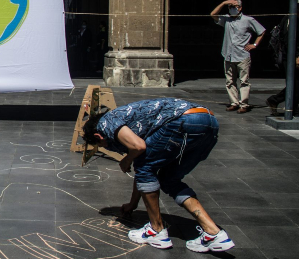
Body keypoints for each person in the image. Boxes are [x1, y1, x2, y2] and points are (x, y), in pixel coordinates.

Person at [81, 98, 234, 253]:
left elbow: (139, 147)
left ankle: (156, 230)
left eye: (101, 145)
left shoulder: (106, 123)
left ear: (98, 136)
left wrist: (126, 160)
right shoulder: (123, 121)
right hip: (209, 121)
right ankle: (213, 233)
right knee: (169, 179)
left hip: (183, 120)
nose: (106, 147)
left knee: (144, 165)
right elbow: (144, 173)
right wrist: (132, 204)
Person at [210, 0, 265, 114]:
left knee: (244, 80)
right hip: (228, 54)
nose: (231, 9)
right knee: (229, 81)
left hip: (242, 55)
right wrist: (224, 3)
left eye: (233, 7)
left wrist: (254, 44)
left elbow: (261, 31)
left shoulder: (248, 20)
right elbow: (213, 14)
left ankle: (244, 104)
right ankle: (234, 102)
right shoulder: (227, 19)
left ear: (240, 8)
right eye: (230, 7)